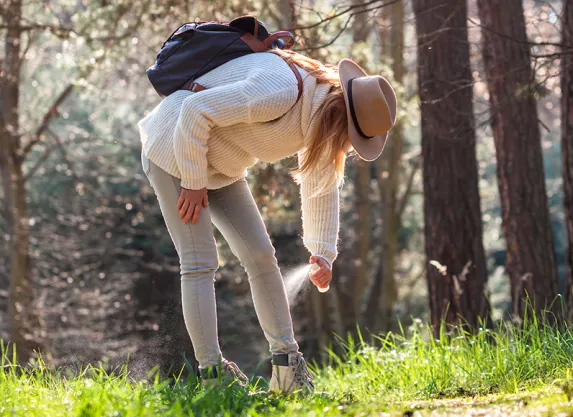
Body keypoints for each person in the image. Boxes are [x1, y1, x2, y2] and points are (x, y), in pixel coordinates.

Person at [137, 48, 397, 394]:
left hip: (222, 164)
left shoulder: (317, 119)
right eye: (353, 138)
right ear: (340, 118)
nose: (349, 148)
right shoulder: (281, 92)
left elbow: (321, 184)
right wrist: (193, 182)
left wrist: (322, 253)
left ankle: (287, 368)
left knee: (261, 256)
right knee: (200, 261)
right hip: (173, 147)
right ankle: (213, 378)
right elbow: (194, 110)